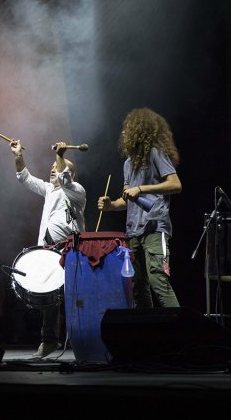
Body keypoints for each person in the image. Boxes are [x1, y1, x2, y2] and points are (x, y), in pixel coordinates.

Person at [97, 107, 181, 309]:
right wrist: (110, 205)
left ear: (140, 130)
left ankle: (181, 326)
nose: (124, 132)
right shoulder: (128, 163)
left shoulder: (155, 154)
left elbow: (175, 185)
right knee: (137, 286)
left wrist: (141, 188)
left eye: (128, 127)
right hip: (134, 231)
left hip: (154, 227)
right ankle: (148, 327)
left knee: (158, 280)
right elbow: (127, 199)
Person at [10, 139, 86, 358]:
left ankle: (83, 340)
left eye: (58, 167)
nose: (53, 169)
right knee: (51, 297)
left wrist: (60, 156)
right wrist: (18, 155)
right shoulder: (49, 190)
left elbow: (65, 180)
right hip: (49, 250)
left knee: (75, 296)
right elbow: (24, 177)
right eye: (52, 166)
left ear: (71, 173)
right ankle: (49, 341)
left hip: (71, 250)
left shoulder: (76, 191)